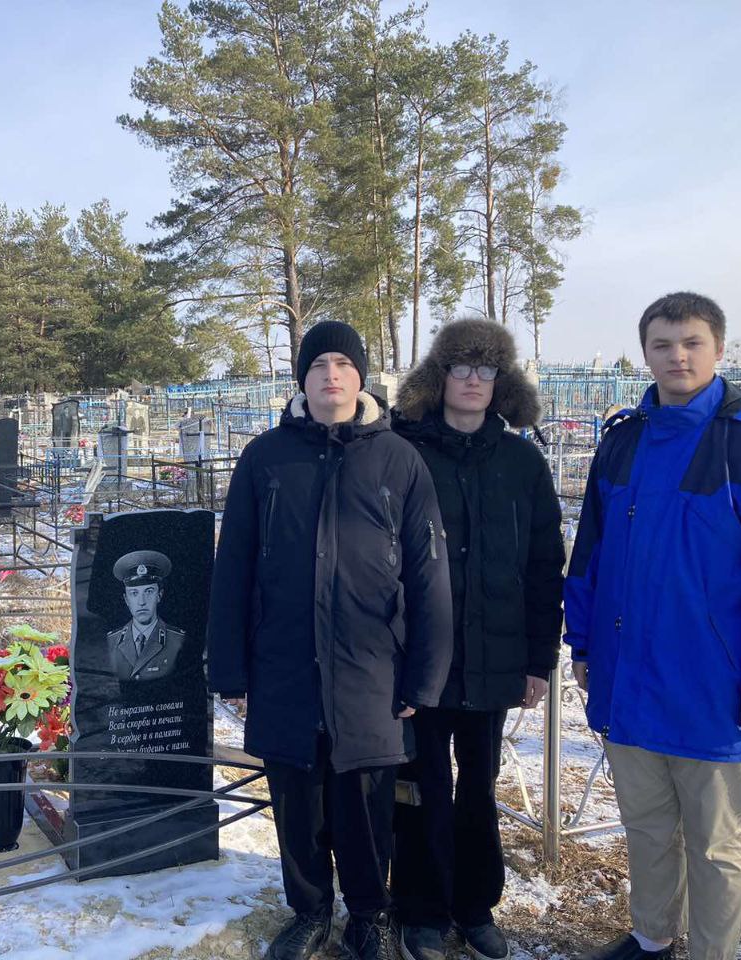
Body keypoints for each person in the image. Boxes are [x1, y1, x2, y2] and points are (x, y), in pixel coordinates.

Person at [565, 292, 741, 960]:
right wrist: (582, 642)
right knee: (646, 826)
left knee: (717, 845)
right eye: (663, 345)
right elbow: (590, 554)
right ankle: (651, 938)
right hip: (630, 677)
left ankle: (710, 952)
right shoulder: (624, 441)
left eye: (692, 342)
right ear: (645, 353)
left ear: (718, 349)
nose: (678, 356)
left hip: (715, 689)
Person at [207, 320, 453, 960]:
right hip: (285, 663)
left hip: (370, 668)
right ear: (303, 379)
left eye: (343, 363)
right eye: (319, 365)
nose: (331, 375)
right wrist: (229, 668)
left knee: (367, 806)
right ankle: (310, 910)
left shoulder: (398, 459)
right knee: (298, 803)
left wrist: (424, 677)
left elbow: (428, 575)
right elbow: (234, 565)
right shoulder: (266, 457)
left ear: (360, 377)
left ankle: (370, 915)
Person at [389, 319, 565, 960]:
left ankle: (475, 904)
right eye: (460, 367)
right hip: (422, 659)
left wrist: (539, 659)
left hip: (494, 657)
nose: (471, 380)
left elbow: (544, 564)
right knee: (422, 784)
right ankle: (421, 909)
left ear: (501, 382)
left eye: (485, 370)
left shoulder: (521, 462)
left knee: (479, 786)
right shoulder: (404, 451)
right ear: (438, 377)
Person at [106, 550, 186, 681]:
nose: (142, 602)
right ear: (126, 599)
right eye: (134, 593)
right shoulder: (112, 640)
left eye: (149, 591)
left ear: (159, 595)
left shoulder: (178, 640)